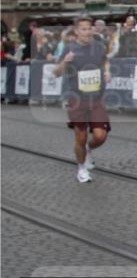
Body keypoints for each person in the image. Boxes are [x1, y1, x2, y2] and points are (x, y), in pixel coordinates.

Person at [53, 16, 112, 183]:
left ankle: (88, 149)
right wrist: (65, 61)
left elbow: (105, 61)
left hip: (97, 98)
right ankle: (81, 168)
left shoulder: (99, 47)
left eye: (89, 28)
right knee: (81, 137)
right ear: (77, 31)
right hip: (77, 99)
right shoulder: (69, 49)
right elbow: (56, 73)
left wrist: (107, 71)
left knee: (100, 136)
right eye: (83, 29)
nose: (87, 32)